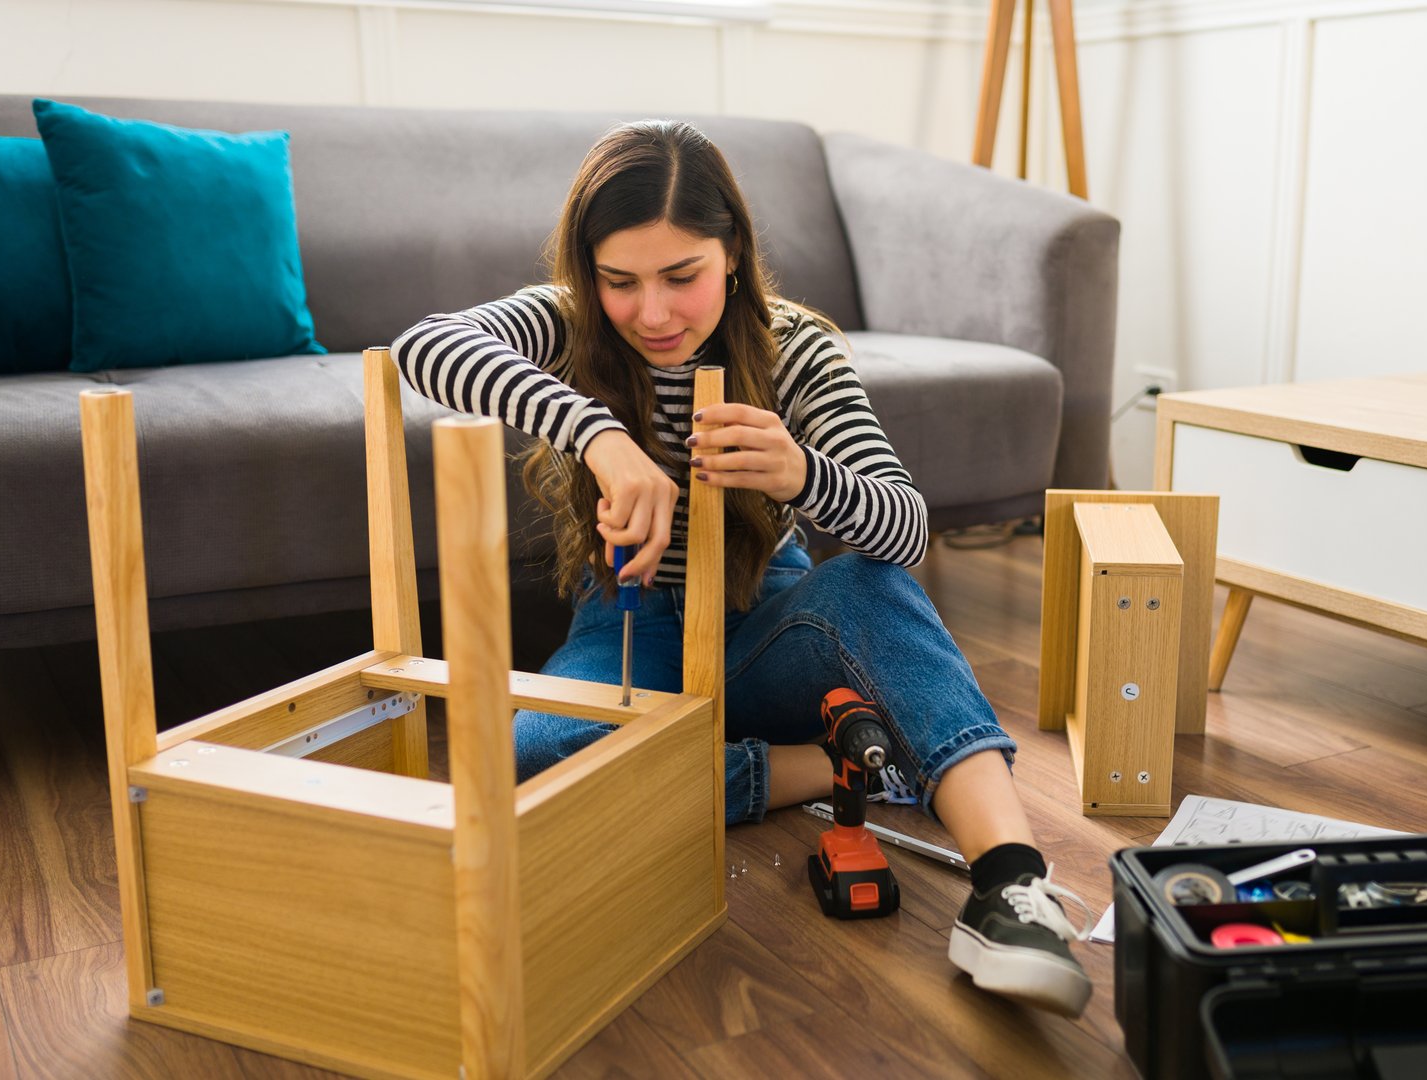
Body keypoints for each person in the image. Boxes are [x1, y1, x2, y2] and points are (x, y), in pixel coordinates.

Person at [391, 119, 1094, 1017]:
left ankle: (1009, 886)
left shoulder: (796, 348)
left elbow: (906, 531)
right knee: (534, 759)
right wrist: (600, 435)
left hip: (769, 623)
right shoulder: (569, 322)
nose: (652, 313)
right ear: (588, 273)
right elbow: (425, 346)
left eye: (683, 277)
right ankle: (843, 762)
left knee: (868, 588)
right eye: (621, 281)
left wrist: (805, 472)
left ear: (733, 254)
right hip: (628, 626)